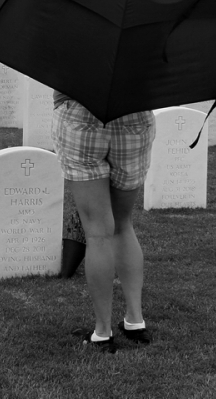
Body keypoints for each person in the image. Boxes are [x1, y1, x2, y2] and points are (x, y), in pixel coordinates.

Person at [51, 91, 156, 353]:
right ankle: (135, 319)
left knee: (98, 233)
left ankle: (103, 331)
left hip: (82, 113)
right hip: (134, 115)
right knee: (122, 224)